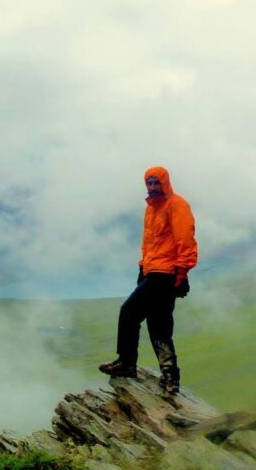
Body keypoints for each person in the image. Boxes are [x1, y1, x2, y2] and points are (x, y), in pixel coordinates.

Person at [99, 166, 198, 394]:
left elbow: (186, 239)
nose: (152, 187)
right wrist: (143, 267)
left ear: (165, 183)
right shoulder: (151, 209)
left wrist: (182, 272)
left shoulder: (177, 205)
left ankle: (126, 363)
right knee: (159, 325)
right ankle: (170, 377)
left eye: (156, 183)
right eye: (149, 183)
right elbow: (150, 244)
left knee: (129, 312)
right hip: (151, 270)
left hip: (165, 273)